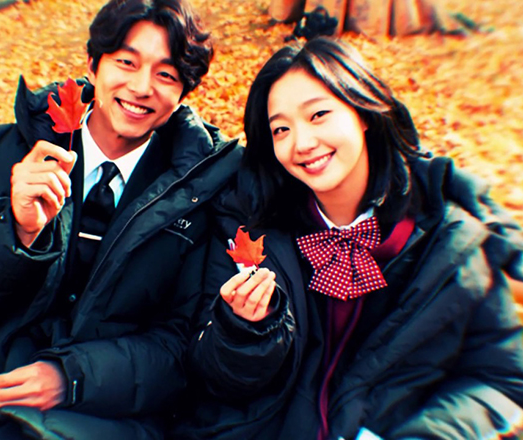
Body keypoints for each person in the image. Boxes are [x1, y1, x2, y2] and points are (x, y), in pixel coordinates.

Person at [0, 0, 242, 438]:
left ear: (182, 93)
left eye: (166, 75)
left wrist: (73, 378)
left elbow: (183, 346)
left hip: (104, 414)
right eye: (126, 62)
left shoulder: (199, 191)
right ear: (93, 65)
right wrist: (16, 232)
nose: (142, 87)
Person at [171, 37, 523, 440]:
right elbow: (213, 379)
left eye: (319, 114)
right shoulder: (248, 227)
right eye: (281, 129)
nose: (302, 143)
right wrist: (242, 330)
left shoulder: (450, 242)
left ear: (363, 112)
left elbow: (500, 378)